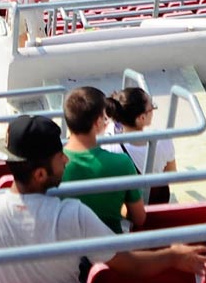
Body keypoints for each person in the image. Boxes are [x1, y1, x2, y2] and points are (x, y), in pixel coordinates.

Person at [0, 114, 206, 283]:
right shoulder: (74, 214)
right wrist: (173, 255)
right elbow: (130, 264)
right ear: (40, 174)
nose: (66, 159)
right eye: (59, 157)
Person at [60, 86, 146, 233]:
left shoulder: (51, 163)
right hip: (111, 247)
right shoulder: (122, 163)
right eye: (105, 116)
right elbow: (139, 218)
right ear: (98, 122)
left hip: (66, 247)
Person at [105, 85, 176, 206]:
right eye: (152, 107)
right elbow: (171, 172)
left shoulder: (108, 144)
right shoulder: (163, 140)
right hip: (157, 202)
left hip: (126, 205)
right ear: (142, 118)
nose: (153, 110)